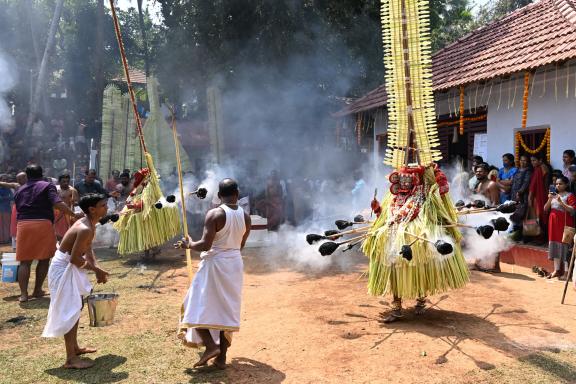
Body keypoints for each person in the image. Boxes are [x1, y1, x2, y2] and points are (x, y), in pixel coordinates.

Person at [177, 178, 251, 369]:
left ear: (219, 196)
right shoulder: (246, 216)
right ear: (238, 194)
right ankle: (221, 358)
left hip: (215, 264)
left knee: (194, 304)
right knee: (225, 311)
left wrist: (189, 244)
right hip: (234, 264)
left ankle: (211, 346)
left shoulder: (215, 214)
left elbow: (205, 244)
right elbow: (240, 245)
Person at [42, 193, 110, 369]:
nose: (107, 207)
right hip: (63, 268)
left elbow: (87, 249)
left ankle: (75, 348)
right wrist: (96, 270)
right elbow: (74, 259)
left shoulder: (90, 224)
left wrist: (96, 267)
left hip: (69, 266)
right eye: (103, 205)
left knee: (76, 305)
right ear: (92, 209)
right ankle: (70, 359)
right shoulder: (85, 227)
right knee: (71, 309)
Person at [14, 164, 80, 302]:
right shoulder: (47, 185)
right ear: (41, 173)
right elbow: (57, 203)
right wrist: (73, 214)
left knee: (24, 262)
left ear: (27, 175)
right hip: (42, 223)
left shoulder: (20, 189)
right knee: (44, 259)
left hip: (23, 224)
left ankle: (23, 295)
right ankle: (37, 290)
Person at [544, 176, 576, 279]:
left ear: (566, 185)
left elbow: (572, 210)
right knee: (554, 244)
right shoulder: (553, 195)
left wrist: (561, 202)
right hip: (553, 223)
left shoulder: (569, 195)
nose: (558, 185)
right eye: (556, 184)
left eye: (560, 184)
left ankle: (566, 272)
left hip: (565, 223)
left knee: (565, 246)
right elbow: (545, 209)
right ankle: (556, 270)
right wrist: (550, 199)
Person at [528, 154, 551, 241]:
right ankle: (541, 237)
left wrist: (530, 197)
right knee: (541, 215)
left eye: (534, 160)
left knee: (539, 216)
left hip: (539, 196)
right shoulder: (542, 168)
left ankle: (541, 238)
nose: (532, 162)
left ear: (540, 160)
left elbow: (533, 185)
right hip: (541, 195)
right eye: (531, 161)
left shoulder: (540, 169)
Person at [509, 155, 533, 238]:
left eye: (525, 161)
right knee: (514, 213)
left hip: (522, 196)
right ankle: (516, 233)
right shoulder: (518, 169)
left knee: (522, 213)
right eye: (521, 160)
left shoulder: (528, 171)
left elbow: (526, 183)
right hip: (514, 194)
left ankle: (523, 235)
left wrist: (520, 192)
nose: (523, 162)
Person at [55, 174, 79, 241]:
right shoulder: (55, 189)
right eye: (64, 181)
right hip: (55, 215)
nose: (66, 183)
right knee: (54, 234)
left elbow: (77, 205)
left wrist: (74, 202)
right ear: (59, 182)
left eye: (67, 181)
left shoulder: (72, 190)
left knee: (64, 235)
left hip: (66, 215)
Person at [0, 174, 13, 243]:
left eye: (6, 180)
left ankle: (6, 239)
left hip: (6, 209)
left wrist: (4, 198)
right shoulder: (7, 189)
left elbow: (12, 197)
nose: (4, 181)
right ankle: (1, 239)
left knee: (7, 224)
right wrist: (6, 198)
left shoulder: (8, 188)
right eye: (3, 180)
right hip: (3, 208)